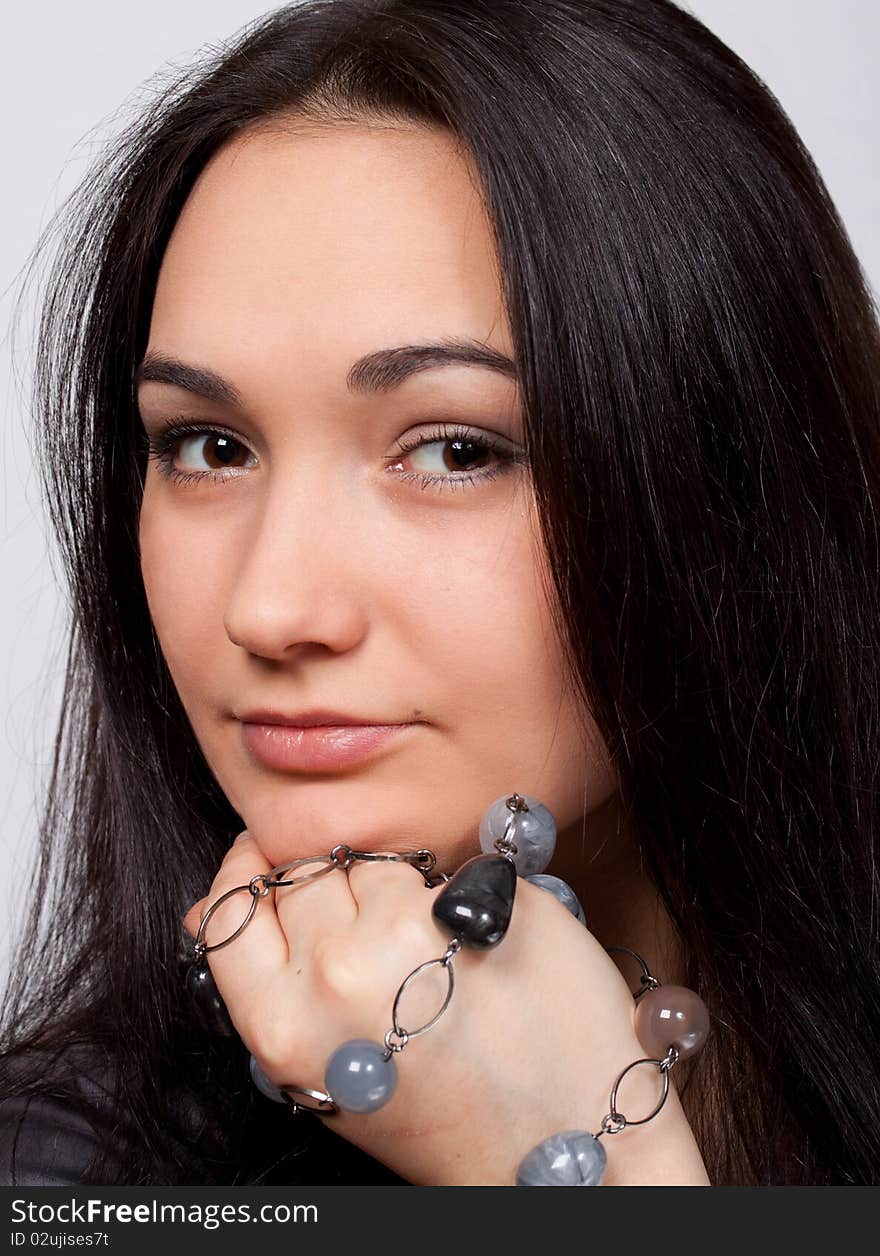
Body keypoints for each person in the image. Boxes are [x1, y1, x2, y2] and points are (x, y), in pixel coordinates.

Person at [1, 0, 878, 1188]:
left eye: (456, 449)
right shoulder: (62, 1178)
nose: (269, 608)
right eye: (208, 446)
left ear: (730, 483)